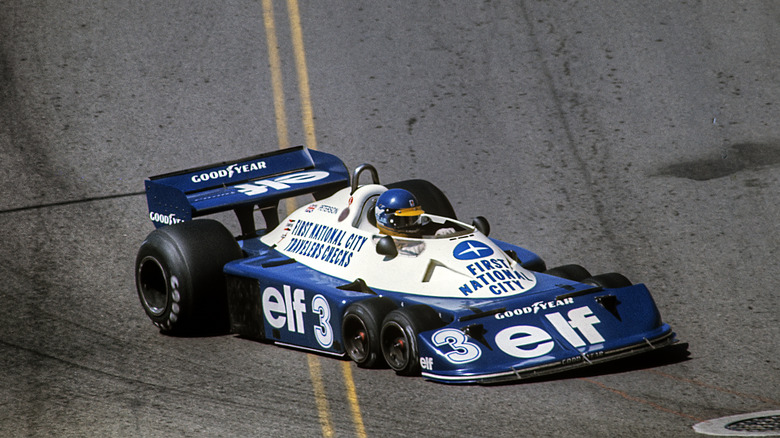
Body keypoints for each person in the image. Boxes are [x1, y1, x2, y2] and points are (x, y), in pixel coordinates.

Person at [374, 188, 455, 239]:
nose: (411, 225)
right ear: (384, 219)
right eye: (404, 221)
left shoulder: (418, 233)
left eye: (414, 219)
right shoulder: (381, 243)